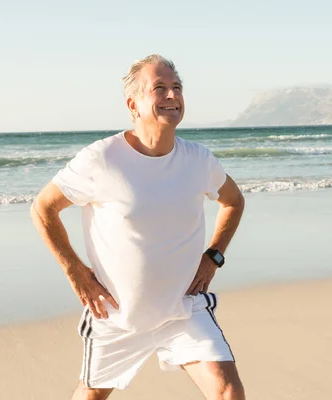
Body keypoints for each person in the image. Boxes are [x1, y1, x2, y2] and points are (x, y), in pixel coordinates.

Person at [30, 54, 246, 400]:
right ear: (133, 104)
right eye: (160, 88)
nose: (173, 96)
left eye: (177, 87)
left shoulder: (199, 161)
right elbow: (43, 208)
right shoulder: (102, 159)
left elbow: (234, 201)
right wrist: (74, 270)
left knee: (227, 391)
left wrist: (214, 256)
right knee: (91, 396)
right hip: (116, 316)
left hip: (183, 308)